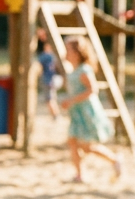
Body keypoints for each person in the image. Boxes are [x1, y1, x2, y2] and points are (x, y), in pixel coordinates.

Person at [61, 36, 123, 183]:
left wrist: (71, 100)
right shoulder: (74, 70)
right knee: (72, 141)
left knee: (87, 147)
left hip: (86, 112)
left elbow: (92, 90)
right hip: (76, 113)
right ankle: (79, 175)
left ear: (77, 53)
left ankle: (115, 160)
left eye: (68, 50)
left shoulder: (84, 70)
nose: (66, 53)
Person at [37, 37, 62, 119]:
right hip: (56, 79)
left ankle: (55, 115)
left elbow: (38, 68)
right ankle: (56, 113)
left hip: (48, 80)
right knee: (53, 98)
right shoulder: (55, 55)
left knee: (49, 99)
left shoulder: (44, 56)